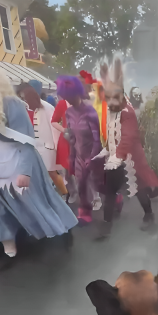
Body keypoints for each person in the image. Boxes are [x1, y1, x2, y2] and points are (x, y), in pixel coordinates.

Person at [0, 67, 77, 257]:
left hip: (22, 160)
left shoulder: (12, 103)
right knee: (5, 206)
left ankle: (62, 232)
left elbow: (28, 138)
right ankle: (12, 241)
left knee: (40, 202)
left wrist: (25, 170)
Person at [92, 58, 158, 238]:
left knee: (138, 189)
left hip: (130, 159)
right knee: (110, 191)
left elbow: (129, 137)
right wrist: (107, 151)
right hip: (115, 158)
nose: (110, 101)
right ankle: (106, 224)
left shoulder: (127, 111)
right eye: (108, 98)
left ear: (122, 96)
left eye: (114, 97)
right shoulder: (110, 111)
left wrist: (117, 157)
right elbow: (110, 134)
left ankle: (149, 216)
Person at [58, 75, 102, 224]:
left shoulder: (90, 112)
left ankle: (116, 198)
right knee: (81, 184)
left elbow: (97, 139)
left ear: (77, 93)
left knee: (99, 184)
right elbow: (72, 137)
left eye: (69, 96)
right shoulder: (68, 113)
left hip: (93, 153)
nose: (67, 99)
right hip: (78, 155)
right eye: (65, 96)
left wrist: (92, 157)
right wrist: (71, 156)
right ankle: (84, 212)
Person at [15, 83, 67, 197]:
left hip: (47, 146)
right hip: (32, 146)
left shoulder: (47, 107)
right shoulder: (22, 108)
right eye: (20, 96)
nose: (22, 99)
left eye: (23, 96)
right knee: (35, 174)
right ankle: (43, 196)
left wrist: (57, 147)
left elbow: (55, 128)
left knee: (52, 173)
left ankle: (64, 193)